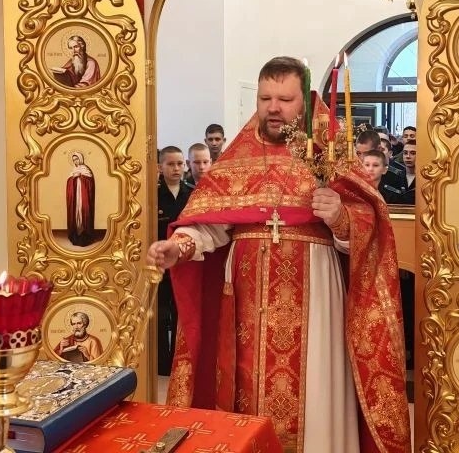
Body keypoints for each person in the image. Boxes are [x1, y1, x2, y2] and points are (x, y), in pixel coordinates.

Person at [146, 56, 410, 453]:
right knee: (245, 389)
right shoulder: (237, 158)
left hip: (316, 302)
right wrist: (178, 246)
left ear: (305, 101)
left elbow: (370, 227)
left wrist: (339, 217)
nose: (273, 108)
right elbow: (211, 224)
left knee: (316, 393)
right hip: (246, 307)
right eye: (265, 98)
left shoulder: (328, 153)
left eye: (285, 100)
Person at [157, 146, 193, 375]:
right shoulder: (152, 194)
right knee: (161, 313)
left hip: (184, 263)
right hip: (159, 262)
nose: (176, 168)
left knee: (181, 311)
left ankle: (178, 362)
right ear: (160, 167)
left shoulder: (192, 194)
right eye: (171, 164)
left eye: (180, 163)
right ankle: (161, 364)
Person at [65, 151, 96, 246]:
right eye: (74, 160)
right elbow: (69, 182)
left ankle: (85, 234)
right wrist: (73, 178)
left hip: (83, 195)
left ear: (80, 159)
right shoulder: (73, 170)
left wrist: (81, 176)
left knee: (84, 212)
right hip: (76, 196)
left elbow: (90, 182)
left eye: (77, 159)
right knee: (76, 213)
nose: (75, 161)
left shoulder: (85, 169)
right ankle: (76, 234)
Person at [400, 141, 416, 205]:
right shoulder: (396, 177)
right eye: (405, 153)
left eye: (413, 153)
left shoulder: (424, 179)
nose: (408, 156)